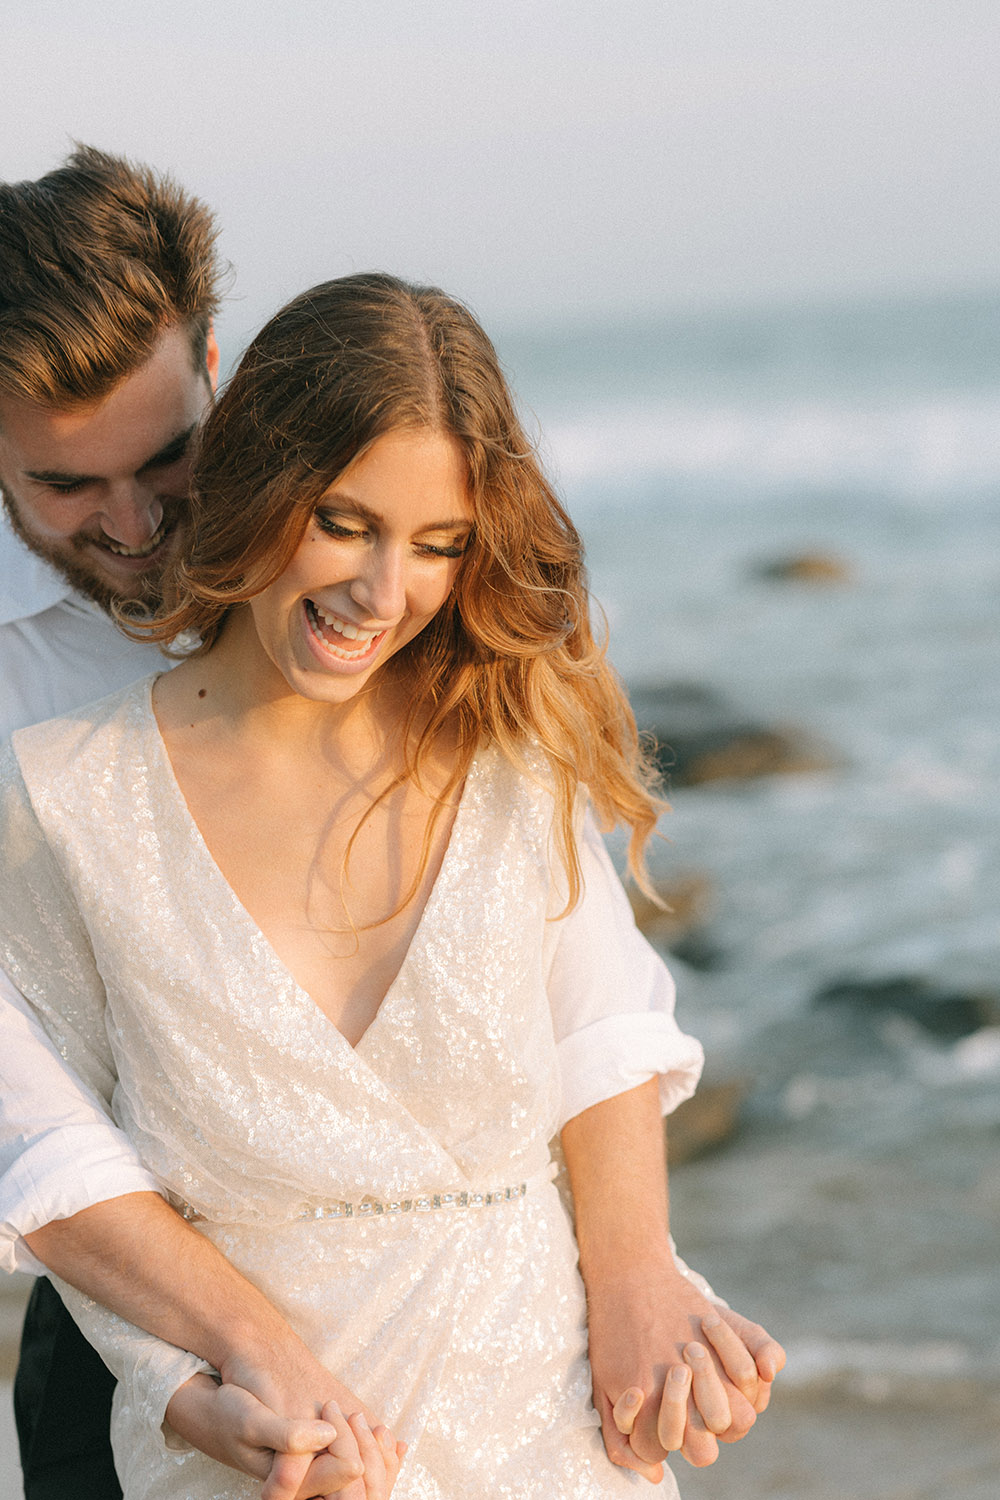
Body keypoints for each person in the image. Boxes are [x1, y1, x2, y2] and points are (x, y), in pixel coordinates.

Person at [0, 272, 784, 1499]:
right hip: (270, 1451)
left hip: (552, 1430)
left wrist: (642, 1280)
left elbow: (604, 1022)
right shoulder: (65, 798)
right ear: (259, 481)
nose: (382, 594)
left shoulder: (506, 748)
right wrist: (188, 1385)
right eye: (346, 522)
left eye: (438, 544)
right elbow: (54, 1155)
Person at [0, 145, 415, 1500]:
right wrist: (212, 1359)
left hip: (443, 1279)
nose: (130, 524)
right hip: (127, 1320)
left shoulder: (362, 556)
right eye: (65, 488)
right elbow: (19, 1094)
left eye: (166, 458)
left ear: (218, 370)